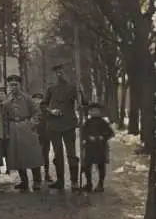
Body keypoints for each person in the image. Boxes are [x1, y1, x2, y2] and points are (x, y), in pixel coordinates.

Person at [41, 63, 88, 191]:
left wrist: (81, 91)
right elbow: (43, 105)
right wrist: (51, 111)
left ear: (66, 73)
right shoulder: (51, 89)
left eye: (61, 71)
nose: (59, 74)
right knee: (57, 154)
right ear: (54, 74)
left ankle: (73, 181)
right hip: (54, 125)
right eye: (57, 72)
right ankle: (60, 180)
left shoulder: (73, 88)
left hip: (69, 125)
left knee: (71, 153)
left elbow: (84, 102)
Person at [2, 75, 44, 192]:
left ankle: (37, 181)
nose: (13, 87)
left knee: (32, 154)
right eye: (11, 85)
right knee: (17, 156)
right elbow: (4, 118)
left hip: (26, 127)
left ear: (20, 85)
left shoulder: (27, 98)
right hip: (13, 129)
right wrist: (6, 132)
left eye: (15, 84)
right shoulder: (7, 102)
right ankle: (24, 181)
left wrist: (31, 124)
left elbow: (37, 113)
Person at [80, 103, 114, 192]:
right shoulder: (87, 122)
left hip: (100, 147)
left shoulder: (103, 122)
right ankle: (88, 183)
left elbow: (110, 133)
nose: (94, 112)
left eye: (96, 110)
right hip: (89, 147)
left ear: (99, 112)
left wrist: (102, 136)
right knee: (87, 165)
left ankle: (100, 184)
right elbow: (83, 133)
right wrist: (87, 137)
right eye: (92, 110)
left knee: (100, 165)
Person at [32, 93, 52, 183]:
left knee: (46, 156)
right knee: (35, 156)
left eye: (39, 99)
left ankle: (47, 174)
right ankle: (37, 177)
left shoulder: (46, 111)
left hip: (45, 135)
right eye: (35, 99)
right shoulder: (31, 111)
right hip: (35, 136)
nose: (37, 101)